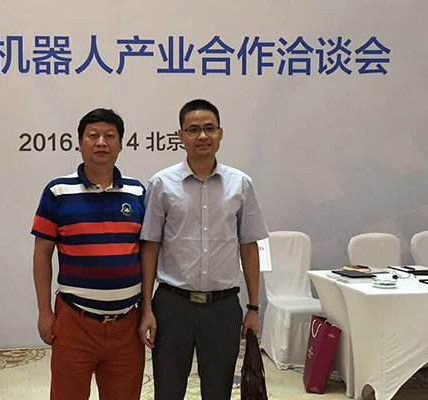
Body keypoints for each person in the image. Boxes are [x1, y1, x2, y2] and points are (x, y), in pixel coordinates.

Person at [138, 99, 268, 399]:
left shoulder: (240, 184)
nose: (202, 136)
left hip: (222, 307)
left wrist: (253, 307)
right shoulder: (161, 183)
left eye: (209, 128)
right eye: (193, 129)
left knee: (218, 391)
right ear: (180, 135)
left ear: (220, 133)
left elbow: (249, 246)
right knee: (168, 390)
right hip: (172, 306)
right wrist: (147, 308)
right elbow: (150, 247)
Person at [31, 108, 146, 400]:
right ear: (80, 143)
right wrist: (44, 312)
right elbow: (42, 255)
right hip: (74, 322)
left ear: (121, 144)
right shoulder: (57, 191)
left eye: (110, 136)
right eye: (93, 135)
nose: (101, 142)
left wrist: (147, 310)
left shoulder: (137, 192)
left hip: (127, 325)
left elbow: (147, 255)